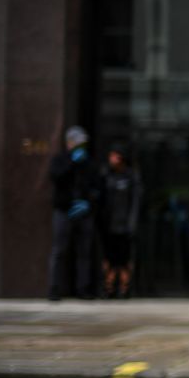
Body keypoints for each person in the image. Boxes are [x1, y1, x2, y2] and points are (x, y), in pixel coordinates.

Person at [47, 126, 99, 301]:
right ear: (69, 143)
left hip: (83, 212)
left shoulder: (89, 163)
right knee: (59, 250)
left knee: (84, 252)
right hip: (64, 210)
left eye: (83, 143)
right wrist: (71, 162)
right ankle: (54, 289)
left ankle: (83, 289)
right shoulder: (60, 160)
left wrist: (88, 203)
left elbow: (96, 187)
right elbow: (56, 177)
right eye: (77, 143)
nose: (81, 147)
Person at [99, 144, 143, 299]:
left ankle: (124, 288)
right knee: (110, 258)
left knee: (123, 259)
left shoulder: (131, 177)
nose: (112, 159)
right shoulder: (107, 176)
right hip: (109, 225)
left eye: (115, 155)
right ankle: (108, 287)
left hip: (125, 225)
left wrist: (132, 224)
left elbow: (135, 203)